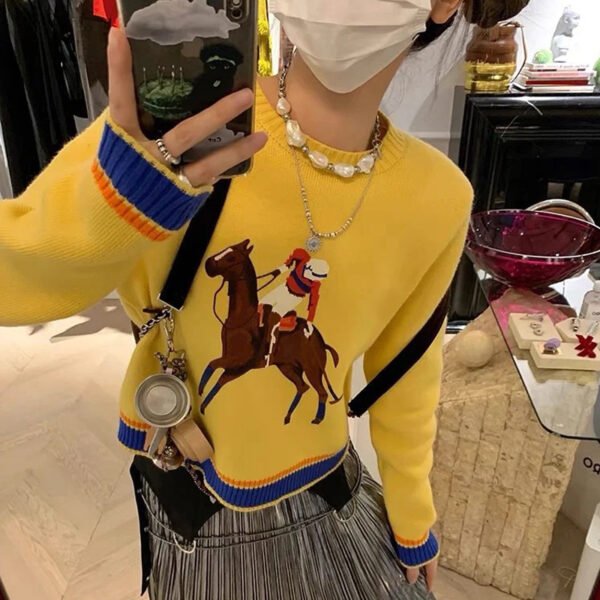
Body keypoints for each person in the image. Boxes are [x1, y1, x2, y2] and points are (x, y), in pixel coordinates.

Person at [0, 1, 515, 598]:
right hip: (191, 484)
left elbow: (408, 379)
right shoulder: (174, 133)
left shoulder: (439, 197)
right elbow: (15, 280)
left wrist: (413, 512)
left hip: (327, 486)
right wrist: (116, 202)